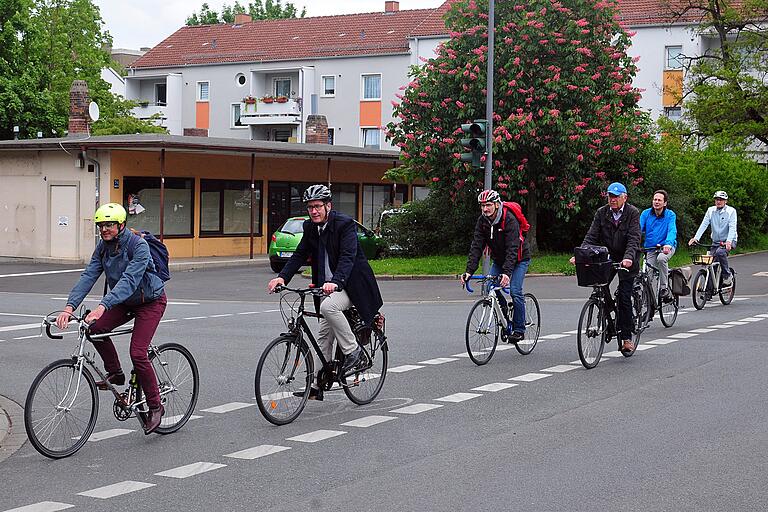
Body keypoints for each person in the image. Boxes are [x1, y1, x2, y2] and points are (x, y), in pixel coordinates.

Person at [55, 203, 167, 434]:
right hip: (124, 301)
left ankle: (155, 406)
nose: (104, 229)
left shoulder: (139, 246)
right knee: (93, 327)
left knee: (138, 352)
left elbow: (129, 280)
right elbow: (89, 275)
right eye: (101, 225)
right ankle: (115, 373)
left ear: (121, 225)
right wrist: (69, 307)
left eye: (109, 225)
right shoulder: (103, 247)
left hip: (150, 302)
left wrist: (103, 306)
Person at [267, 184, 383, 401]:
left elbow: (348, 257)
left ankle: (353, 351)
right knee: (323, 335)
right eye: (310, 207)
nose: (314, 211)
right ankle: (317, 384)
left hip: (352, 285)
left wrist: (336, 281)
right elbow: (300, 254)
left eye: (318, 206)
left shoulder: (344, 224)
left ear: (328, 206)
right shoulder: (311, 227)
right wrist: (282, 277)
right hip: (327, 288)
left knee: (329, 307)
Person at [571, 182, 641, 353]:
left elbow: (634, 238)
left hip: (627, 259)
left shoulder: (632, 213)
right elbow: (591, 235)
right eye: (610, 196)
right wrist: (580, 254)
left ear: (625, 197)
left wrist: (628, 258)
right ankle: (608, 312)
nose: (613, 199)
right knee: (599, 286)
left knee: (624, 297)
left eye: (616, 196)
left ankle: (626, 337)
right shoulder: (602, 213)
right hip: (608, 257)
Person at [460, 189, 531, 343]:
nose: (485, 209)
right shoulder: (483, 221)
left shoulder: (509, 219)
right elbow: (476, 246)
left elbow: (513, 248)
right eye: (482, 206)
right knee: (491, 286)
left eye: (489, 205)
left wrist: (506, 273)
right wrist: (469, 271)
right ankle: (505, 316)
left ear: (497, 205)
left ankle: (519, 329)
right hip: (499, 260)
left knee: (515, 290)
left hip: (519, 259)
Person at [688, 190, 737, 286]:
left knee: (720, 253)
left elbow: (732, 227)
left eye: (721, 199)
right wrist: (696, 238)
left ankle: (727, 275)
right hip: (715, 241)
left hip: (729, 240)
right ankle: (709, 291)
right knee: (710, 263)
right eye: (717, 199)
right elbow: (704, 224)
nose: (718, 201)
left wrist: (729, 242)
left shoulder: (731, 211)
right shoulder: (710, 210)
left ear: (725, 201)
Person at [639, 190, 677, 298]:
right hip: (650, 247)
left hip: (666, 247)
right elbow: (638, 230)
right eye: (655, 199)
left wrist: (668, 244)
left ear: (665, 203)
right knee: (647, 273)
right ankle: (647, 301)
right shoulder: (646, 214)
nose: (656, 202)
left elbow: (672, 230)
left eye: (659, 200)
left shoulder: (670, 215)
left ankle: (664, 288)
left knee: (661, 259)